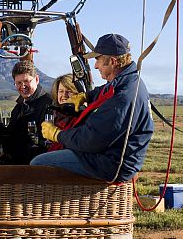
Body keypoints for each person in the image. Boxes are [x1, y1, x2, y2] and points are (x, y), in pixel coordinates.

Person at [31, 33, 154, 182]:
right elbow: (107, 90)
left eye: (98, 60)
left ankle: (61, 204)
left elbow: (89, 141)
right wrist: (87, 96)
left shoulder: (123, 97)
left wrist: (57, 134)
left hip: (111, 164)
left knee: (38, 164)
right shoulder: (128, 81)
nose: (95, 66)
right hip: (111, 156)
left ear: (113, 61)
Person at [0, 60, 52, 165]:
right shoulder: (19, 107)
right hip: (17, 164)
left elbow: (46, 143)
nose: (23, 86)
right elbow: (11, 136)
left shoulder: (48, 104)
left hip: (35, 166)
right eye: (19, 83)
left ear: (36, 79)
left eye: (26, 81)